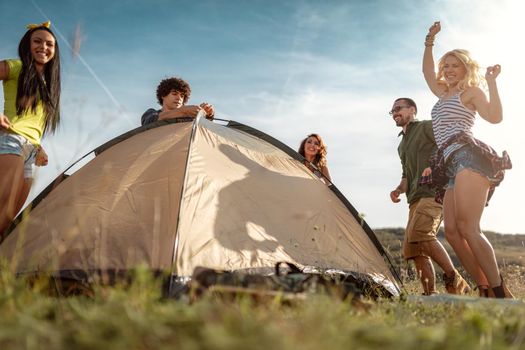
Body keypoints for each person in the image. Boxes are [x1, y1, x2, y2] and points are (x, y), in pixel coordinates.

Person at [422, 21, 513, 298]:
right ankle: (483, 288)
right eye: (445, 66)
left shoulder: (470, 92)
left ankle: (500, 291)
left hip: (469, 156)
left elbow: (495, 117)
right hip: (449, 164)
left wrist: (493, 83)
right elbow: (426, 72)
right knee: (451, 231)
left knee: (469, 227)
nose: (448, 70)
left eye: (454, 66)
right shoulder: (443, 93)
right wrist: (429, 41)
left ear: (465, 69)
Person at [389, 97, 469, 296]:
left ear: (412, 110)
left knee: (422, 234)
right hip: (414, 197)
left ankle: (456, 282)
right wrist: (399, 189)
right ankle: (430, 294)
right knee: (414, 249)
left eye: (398, 108)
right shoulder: (401, 145)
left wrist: (432, 165)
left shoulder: (425, 127)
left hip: (434, 191)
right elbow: (406, 174)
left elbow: (447, 144)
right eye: (392, 111)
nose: (395, 113)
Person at [0, 21, 60, 237]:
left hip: (31, 151)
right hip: (10, 140)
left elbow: (33, 123)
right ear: (27, 45)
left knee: (7, 221)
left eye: (50, 44)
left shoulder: (48, 86)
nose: (44, 47)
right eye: (37, 41)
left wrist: (39, 147)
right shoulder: (16, 67)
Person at [141, 77, 214, 126]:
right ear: (163, 95)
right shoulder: (151, 113)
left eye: (182, 96)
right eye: (174, 94)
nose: (179, 98)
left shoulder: (188, 118)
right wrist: (183, 111)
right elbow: (149, 122)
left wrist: (208, 116)